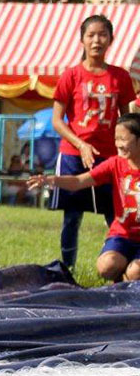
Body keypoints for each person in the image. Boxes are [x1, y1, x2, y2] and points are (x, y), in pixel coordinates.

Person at [50, 15, 135, 270]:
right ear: (82, 40)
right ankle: (68, 269)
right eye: (91, 35)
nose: (97, 40)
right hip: (74, 156)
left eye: (102, 35)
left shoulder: (120, 76)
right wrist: (81, 145)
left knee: (116, 214)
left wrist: (126, 151)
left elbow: (129, 120)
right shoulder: (71, 75)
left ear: (111, 39)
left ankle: (118, 265)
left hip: (111, 157)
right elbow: (57, 120)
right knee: (72, 217)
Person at [29, 113, 140, 282]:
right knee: (107, 266)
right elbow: (78, 181)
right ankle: (125, 278)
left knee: (135, 272)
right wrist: (50, 180)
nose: (118, 144)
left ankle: (127, 280)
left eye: (123, 139)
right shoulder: (115, 164)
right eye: (116, 139)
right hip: (122, 235)